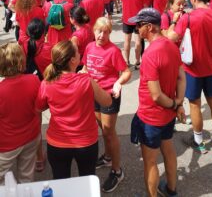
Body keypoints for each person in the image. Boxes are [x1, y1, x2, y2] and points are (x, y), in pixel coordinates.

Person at [128, 8, 186, 197]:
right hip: (167, 114)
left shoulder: (151, 54)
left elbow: (155, 95)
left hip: (151, 115)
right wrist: (178, 103)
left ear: (149, 27)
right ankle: (171, 189)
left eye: (139, 26)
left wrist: (174, 104)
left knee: (150, 161)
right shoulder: (171, 45)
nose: (137, 29)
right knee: (168, 149)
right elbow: (181, 77)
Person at [35, 40, 112, 180]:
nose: (80, 53)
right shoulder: (86, 81)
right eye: (77, 52)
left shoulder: (46, 83)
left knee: (61, 182)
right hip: (86, 142)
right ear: (72, 61)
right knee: (87, 182)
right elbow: (107, 101)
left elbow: (39, 107)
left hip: (57, 143)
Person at [167, 0, 212, 153]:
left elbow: (171, 37)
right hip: (210, 67)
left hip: (192, 70)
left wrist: (173, 21)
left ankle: (199, 141)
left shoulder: (188, 17)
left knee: (194, 104)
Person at [83, 17, 131, 193]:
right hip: (93, 94)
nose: (101, 35)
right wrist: (82, 74)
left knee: (109, 133)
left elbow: (126, 72)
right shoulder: (89, 47)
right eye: (98, 31)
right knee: (103, 130)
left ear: (110, 33)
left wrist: (118, 82)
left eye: (105, 32)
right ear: (93, 31)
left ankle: (117, 171)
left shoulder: (113, 51)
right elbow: (86, 68)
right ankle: (108, 157)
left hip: (110, 95)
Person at [0, 42, 41, 184]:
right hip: (31, 136)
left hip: (6, 143)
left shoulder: (1, 89)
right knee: (26, 176)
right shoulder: (34, 80)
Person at [119, 0, 146, 67]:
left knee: (127, 40)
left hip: (127, 18)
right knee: (138, 41)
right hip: (138, 19)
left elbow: (122, 2)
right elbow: (145, 5)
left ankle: (126, 61)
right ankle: (137, 61)